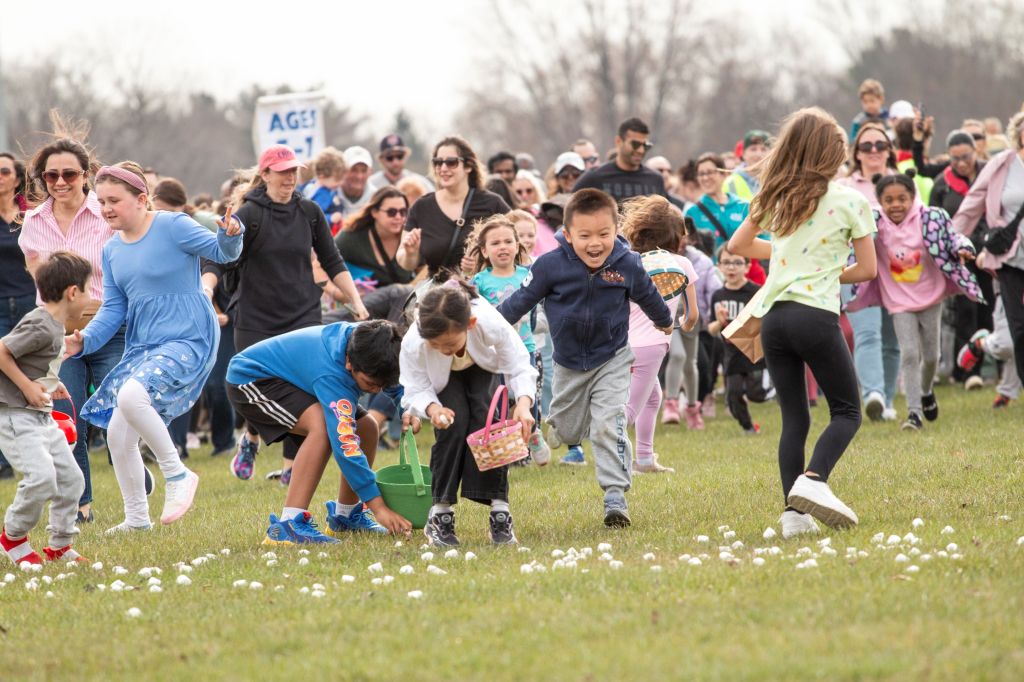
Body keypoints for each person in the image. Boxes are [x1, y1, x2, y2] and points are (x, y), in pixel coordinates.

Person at [65, 161, 243, 532]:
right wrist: (85, 340)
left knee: (131, 396)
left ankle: (177, 474)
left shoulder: (171, 225)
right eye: (101, 201)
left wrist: (230, 234)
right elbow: (114, 309)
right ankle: (136, 519)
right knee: (117, 433)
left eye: (114, 199)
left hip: (189, 335)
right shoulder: (112, 251)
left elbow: (222, 253)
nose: (106, 208)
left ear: (142, 198)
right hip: (146, 344)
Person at [728, 107, 877, 539]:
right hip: (815, 317)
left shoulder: (776, 195)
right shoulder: (851, 200)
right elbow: (866, 269)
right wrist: (827, 270)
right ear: (834, 153)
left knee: (795, 419)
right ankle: (813, 481)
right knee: (847, 412)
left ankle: (793, 518)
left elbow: (739, 244)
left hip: (773, 319)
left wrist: (791, 260)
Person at [498, 189, 673, 527]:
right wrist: (487, 323)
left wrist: (663, 320)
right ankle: (561, 429)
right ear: (567, 234)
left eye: (604, 234)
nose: (595, 243)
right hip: (567, 363)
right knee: (567, 427)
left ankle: (615, 498)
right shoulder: (550, 265)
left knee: (609, 424)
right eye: (585, 236)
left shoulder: (628, 263)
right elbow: (520, 301)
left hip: (613, 357)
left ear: (616, 229)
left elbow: (649, 295)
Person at [202, 144, 367, 484]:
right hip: (256, 318)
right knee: (259, 389)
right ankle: (250, 437)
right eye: (283, 171)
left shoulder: (308, 212)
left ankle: (291, 469)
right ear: (265, 175)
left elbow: (332, 259)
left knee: (302, 391)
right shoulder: (249, 214)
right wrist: (206, 290)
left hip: (302, 315)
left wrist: (356, 302)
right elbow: (216, 257)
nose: (290, 177)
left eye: (294, 171)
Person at [227, 320, 413, 543]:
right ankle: (289, 525)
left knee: (368, 427)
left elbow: (390, 378)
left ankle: (346, 516)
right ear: (348, 363)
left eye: (379, 387)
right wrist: (378, 506)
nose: (375, 390)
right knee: (323, 428)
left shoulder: (369, 343)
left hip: (294, 380)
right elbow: (345, 446)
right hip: (251, 379)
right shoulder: (333, 374)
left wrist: (406, 409)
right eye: (369, 383)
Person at [20, 128, 121, 524]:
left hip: (110, 325)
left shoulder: (106, 214)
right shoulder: (34, 221)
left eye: (69, 174)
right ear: (42, 179)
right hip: (60, 332)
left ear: (85, 175)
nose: (60, 183)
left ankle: (134, 473)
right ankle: (82, 503)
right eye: (51, 176)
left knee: (120, 413)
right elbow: (39, 279)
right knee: (68, 414)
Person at [400, 275, 537, 546]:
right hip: (441, 380)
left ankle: (500, 511)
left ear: (469, 325)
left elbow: (518, 362)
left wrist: (522, 403)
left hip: (482, 366)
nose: (444, 351)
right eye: (436, 347)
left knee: (488, 425)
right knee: (452, 425)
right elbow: (414, 384)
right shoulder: (415, 339)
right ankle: (440, 513)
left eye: (450, 345)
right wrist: (433, 407)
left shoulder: (486, 320)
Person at [849, 172, 982, 430]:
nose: (896, 205)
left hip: (930, 296)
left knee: (931, 356)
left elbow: (953, 238)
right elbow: (850, 240)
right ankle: (913, 414)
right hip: (898, 301)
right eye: (888, 200)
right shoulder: (874, 224)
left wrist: (964, 249)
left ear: (912, 197)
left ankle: (926, 391)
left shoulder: (930, 218)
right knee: (909, 354)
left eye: (902, 198)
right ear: (879, 201)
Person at [0, 252, 92, 565]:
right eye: (89, 289)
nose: (90, 297)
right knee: (41, 479)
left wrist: (51, 383)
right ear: (73, 292)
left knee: (71, 480)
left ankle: (60, 545)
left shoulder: (54, 327)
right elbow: (2, 351)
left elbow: (36, 361)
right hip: (15, 415)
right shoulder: (41, 324)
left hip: (40, 417)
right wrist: (27, 387)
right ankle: (12, 538)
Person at [151, 178, 236, 459]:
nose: (161, 215)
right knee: (175, 381)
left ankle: (224, 441)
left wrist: (213, 303)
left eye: (166, 209)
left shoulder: (197, 226)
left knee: (217, 384)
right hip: (177, 318)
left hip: (217, 314)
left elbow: (218, 258)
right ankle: (177, 446)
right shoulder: (151, 233)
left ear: (181, 207)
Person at [466, 213, 550, 466]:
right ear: (484, 250)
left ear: (517, 245)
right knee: (500, 402)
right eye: (495, 243)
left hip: (527, 347)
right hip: (495, 355)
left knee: (530, 397)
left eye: (507, 241)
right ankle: (506, 449)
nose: (502, 247)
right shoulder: (479, 281)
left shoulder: (529, 275)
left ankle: (532, 435)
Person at [913, 126, 994, 389]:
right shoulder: (942, 183)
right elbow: (936, 221)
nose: (960, 163)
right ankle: (968, 371)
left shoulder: (989, 173)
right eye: (954, 158)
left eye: (965, 157)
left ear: (975, 152)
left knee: (989, 309)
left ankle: (988, 366)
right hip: (959, 256)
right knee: (965, 312)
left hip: (989, 250)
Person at [621, 196, 698, 473]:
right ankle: (615, 461)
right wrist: (685, 326)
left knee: (653, 397)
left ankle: (643, 459)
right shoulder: (682, 264)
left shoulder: (631, 262)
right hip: (653, 346)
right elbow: (692, 315)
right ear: (676, 235)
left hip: (622, 343)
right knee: (628, 412)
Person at [952, 111, 1024, 388]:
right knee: (1019, 332)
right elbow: (973, 203)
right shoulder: (1002, 164)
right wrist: (954, 240)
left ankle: (987, 347)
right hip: (1009, 258)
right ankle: (984, 344)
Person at [836, 122, 901, 421]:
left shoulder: (903, 184)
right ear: (856, 153)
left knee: (892, 338)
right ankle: (872, 393)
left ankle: (886, 402)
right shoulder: (844, 186)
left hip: (900, 269)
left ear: (889, 151)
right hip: (859, 265)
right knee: (867, 333)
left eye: (880, 145)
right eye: (866, 146)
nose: (873, 151)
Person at [396, 136, 510, 276]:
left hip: (484, 291)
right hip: (438, 293)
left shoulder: (493, 204)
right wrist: (410, 253)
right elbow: (405, 262)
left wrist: (485, 263)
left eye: (451, 162)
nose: (443, 168)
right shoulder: (422, 207)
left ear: (468, 166)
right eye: (438, 162)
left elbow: (518, 245)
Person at [708, 244, 770, 435]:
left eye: (737, 262)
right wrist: (719, 322)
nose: (731, 267)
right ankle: (748, 427)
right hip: (732, 354)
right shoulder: (718, 295)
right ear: (718, 266)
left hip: (755, 353)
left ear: (748, 266)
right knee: (733, 396)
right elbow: (711, 329)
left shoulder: (757, 292)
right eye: (726, 262)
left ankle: (774, 387)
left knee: (756, 395)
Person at [663, 228, 721, 428]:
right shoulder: (656, 258)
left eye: (684, 235)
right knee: (678, 355)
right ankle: (670, 403)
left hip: (691, 317)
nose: (680, 240)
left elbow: (712, 289)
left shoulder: (698, 261)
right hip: (666, 318)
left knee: (691, 364)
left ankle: (692, 409)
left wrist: (711, 312)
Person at [0, 152, 34, 478]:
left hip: (29, 303)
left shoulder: (31, 216)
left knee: (30, 379)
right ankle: (4, 459)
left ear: (16, 178)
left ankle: (32, 450)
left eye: (3, 171)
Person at [572, 118, 667, 203]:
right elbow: (570, 212)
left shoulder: (655, 179)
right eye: (635, 144)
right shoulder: (595, 177)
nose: (641, 150)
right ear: (618, 141)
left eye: (645, 146)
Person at [685, 153, 750, 252]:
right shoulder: (692, 213)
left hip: (740, 266)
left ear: (723, 174)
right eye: (701, 174)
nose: (705, 178)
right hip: (709, 267)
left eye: (710, 172)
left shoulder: (744, 207)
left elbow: (762, 238)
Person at [367, 134, 434, 194]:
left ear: (406, 156)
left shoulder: (420, 183)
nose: (395, 162)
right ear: (381, 159)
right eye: (389, 158)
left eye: (400, 156)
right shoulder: (370, 184)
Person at [299, 147, 346, 232]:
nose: (340, 182)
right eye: (337, 179)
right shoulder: (318, 194)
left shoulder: (329, 189)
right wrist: (330, 218)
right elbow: (312, 218)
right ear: (321, 176)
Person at [329, 146, 374, 219]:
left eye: (364, 170)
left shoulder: (376, 198)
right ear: (342, 170)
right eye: (354, 170)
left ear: (370, 172)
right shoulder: (328, 194)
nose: (359, 176)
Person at [723, 130, 770, 200]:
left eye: (763, 149)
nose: (759, 154)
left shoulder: (778, 181)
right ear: (743, 154)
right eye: (753, 149)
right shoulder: (730, 183)